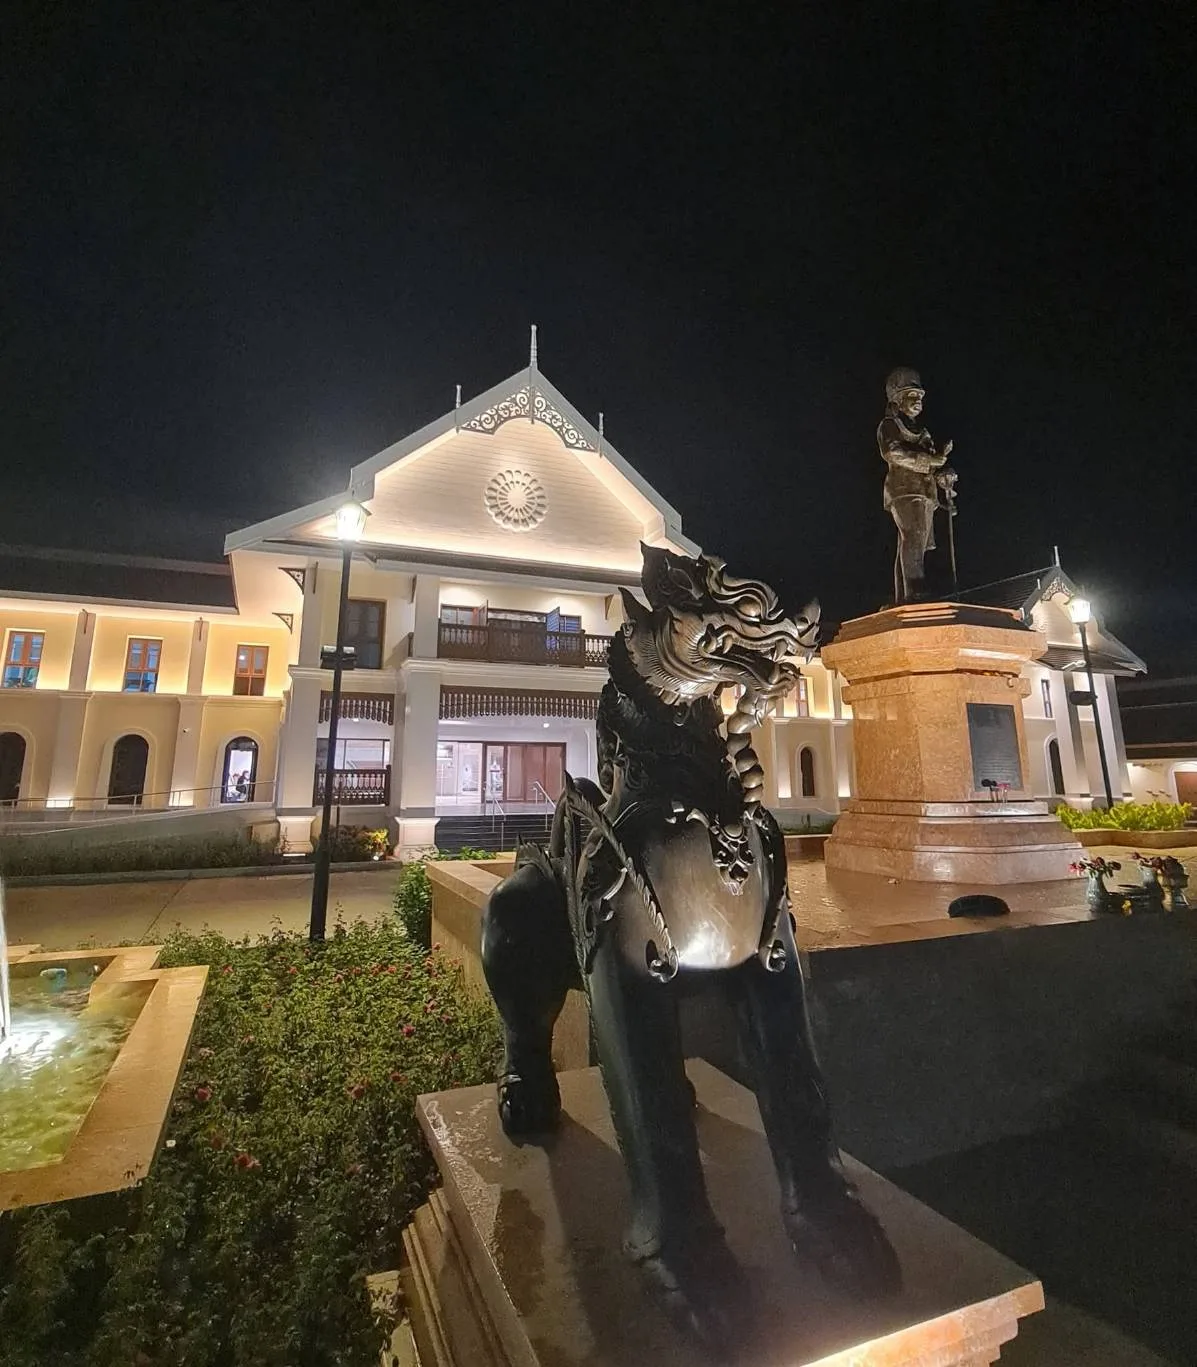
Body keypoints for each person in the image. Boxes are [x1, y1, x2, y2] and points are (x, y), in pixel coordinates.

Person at [877, 367, 956, 602]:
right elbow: (893, 453)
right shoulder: (890, 425)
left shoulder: (922, 432)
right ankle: (915, 589)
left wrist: (943, 475)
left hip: (925, 491)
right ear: (897, 399)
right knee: (913, 535)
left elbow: (933, 464)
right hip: (904, 489)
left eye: (920, 395)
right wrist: (930, 460)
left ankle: (904, 594)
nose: (918, 400)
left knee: (914, 541)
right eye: (912, 395)